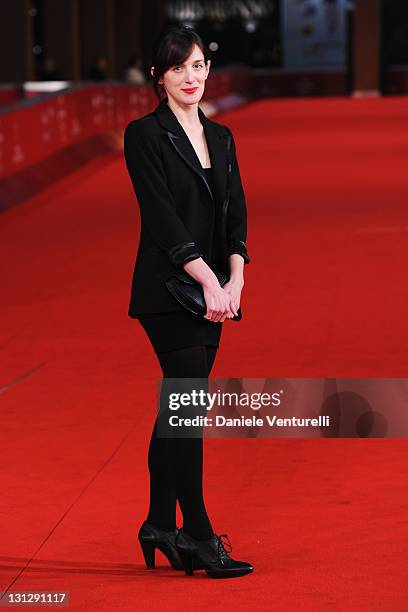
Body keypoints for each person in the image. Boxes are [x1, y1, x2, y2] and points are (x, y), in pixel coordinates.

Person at [123, 25, 253, 579]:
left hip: (217, 293)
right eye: (178, 68)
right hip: (168, 290)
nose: (191, 77)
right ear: (159, 76)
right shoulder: (144, 134)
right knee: (189, 412)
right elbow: (161, 217)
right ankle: (198, 535)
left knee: (175, 413)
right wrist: (206, 281)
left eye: (198, 65)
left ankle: (157, 522)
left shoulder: (222, 137)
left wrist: (235, 280)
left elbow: (235, 217)